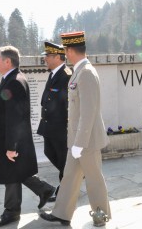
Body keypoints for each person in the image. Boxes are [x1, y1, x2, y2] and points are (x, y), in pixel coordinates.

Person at [40, 31, 111, 227]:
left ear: (69, 50)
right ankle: (62, 213)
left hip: (85, 141)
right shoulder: (80, 71)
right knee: (70, 176)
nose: (65, 52)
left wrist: (79, 143)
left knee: (94, 179)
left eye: (65, 49)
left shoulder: (86, 72)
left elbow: (88, 112)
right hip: (77, 140)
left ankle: (101, 214)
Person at [0, 46, 55, 228]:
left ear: (7, 61)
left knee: (11, 175)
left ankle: (11, 212)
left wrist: (11, 146)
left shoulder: (14, 82)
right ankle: (45, 190)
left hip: (11, 139)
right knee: (16, 172)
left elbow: (14, 116)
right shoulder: (11, 78)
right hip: (11, 138)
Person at [37, 42, 72, 202]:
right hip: (49, 126)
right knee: (49, 153)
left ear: (57, 57)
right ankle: (73, 177)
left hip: (60, 129)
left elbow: (69, 105)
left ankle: (65, 190)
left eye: (48, 56)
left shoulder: (67, 75)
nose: (45, 59)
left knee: (63, 159)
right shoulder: (53, 74)